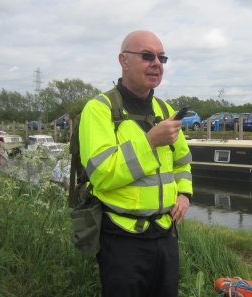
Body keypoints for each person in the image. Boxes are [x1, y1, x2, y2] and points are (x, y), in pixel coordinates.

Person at [79, 30, 193, 297]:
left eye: (161, 57)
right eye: (147, 56)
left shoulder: (165, 110)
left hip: (165, 234)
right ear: (123, 60)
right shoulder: (99, 109)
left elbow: (182, 161)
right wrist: (150, 141)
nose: (156, 63)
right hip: (122, 237)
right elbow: (102, 174)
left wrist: (185, 194)